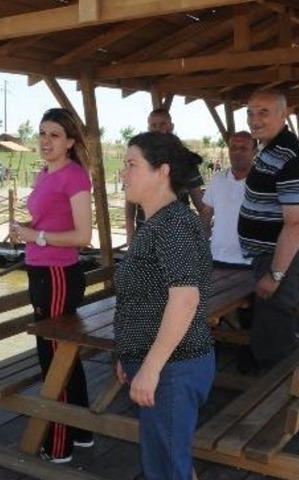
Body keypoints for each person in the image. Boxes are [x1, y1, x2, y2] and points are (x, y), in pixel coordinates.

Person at [114, 131, 215, 479]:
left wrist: (152, 367)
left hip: (174, 369)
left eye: (131, 164)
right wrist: (130, 354)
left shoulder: (172, 223)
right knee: (169, 463)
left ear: (162, 171)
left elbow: (185, 298)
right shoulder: (159, 221)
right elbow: (143, 296)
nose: (123, 173)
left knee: (167, 468)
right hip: (163, 366)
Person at [9, 107, 93, 463]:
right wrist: (26, 228)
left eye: (54, 135)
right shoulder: (46, 173)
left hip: (58, 273)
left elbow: (83, 236)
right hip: (41, 270)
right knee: (63, 354)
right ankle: (82, 430)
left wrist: (35, 235)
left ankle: (59, 446)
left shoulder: (74, 176)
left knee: (54, 357)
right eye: (42, 133)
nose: (45, 141)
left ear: (71, 142)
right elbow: (47, 220)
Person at [238, 90, 299, 371]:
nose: (254, 119)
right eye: (250, 112)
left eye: (263, 112)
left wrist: (275, 274)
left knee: (274, 345)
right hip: (275, 256)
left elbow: (295, 222)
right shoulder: (271, 148)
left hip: (283, 260)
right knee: (273, 330)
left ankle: (283, 403)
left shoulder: (288, 158)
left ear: (284, 116)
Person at [125, 108, 205, 241]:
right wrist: (130, 236)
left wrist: (201, 236)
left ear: (171, 126)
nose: (158, 129)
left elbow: (201, 206)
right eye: (153, 125)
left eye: (163, 124)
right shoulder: (138, 160)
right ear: (148, 128)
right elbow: (130, 204)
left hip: (177, 236)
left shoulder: (186, 159)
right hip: (144, 235)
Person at [201, 131, 255, 267]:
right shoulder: (217, 179)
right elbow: (206, 214)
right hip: (217, 258)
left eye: (243, 148)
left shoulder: (264, 182)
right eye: (233, 148)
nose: (237, 152)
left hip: (252, 262)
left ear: (254, 152)